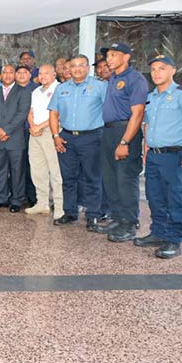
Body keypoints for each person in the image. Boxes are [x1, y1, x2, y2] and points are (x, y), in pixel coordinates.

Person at [137, 55, 182, 259]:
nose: (157, 73)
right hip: (154, 156)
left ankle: (174, 239)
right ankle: (158, 233)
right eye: (154, 69)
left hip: (176, 155)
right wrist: (146, 149)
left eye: (162, 68)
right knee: (155, 197)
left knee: (177, 198)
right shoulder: (151, 97)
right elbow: (147, 125)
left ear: (173, 70)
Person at [94, 42, 149, 242]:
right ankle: (117, 218)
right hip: (109, 131)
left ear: (126, 57)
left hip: (125, 132)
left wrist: (125, 141)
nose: (109, 59)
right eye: (108, 55)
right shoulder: (113, 78)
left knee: (125, 179)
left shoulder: (135, 79)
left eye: (114, 55)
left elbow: (138, 113)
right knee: (110, 179)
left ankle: (129, 223)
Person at [48, 54, 108, 230]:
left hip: (91, 137)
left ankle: (93, 215)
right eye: (73, 66)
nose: (77, 69)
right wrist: (55, 136)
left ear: (88, 68)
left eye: (81, 65)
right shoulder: (61, 88)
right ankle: (70, 212)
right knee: (68, 177)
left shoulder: (100, 86)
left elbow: (110, 111)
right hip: (66, 137)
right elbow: (53, 113)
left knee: (92, 178)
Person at [0, 64, 31, 212]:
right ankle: (1, 198)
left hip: (15, 138)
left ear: (15, 75)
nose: (7, 75)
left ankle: (17, 200)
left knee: (17, 171)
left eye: (11, 72)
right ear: (0, 75)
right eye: (4, 72)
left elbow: (22, 114)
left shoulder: (23, 92)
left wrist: (6, 130)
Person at [26, 65, 64, 220]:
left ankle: (60, 207)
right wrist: (32, 126)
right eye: (40, 73)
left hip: (51, 131)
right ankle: (42, 203)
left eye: (46, 73)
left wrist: (39, 126)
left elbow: (58, 114)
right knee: (37, 169)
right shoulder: (36, 91)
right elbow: (30, 112)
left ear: (54, 74)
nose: (43, 76)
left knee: (55, 171)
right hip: (35, 132)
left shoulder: (60, 89)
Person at [15, 65, 39, 206]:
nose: (22, 75)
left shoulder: (37, 90)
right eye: (19, 72)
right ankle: (17, 194)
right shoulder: (10, 90)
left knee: (32, 165)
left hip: (32, 131)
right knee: (17, 165)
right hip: (14, 133)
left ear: (30, 75)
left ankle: (32, 196)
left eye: (25, 72)